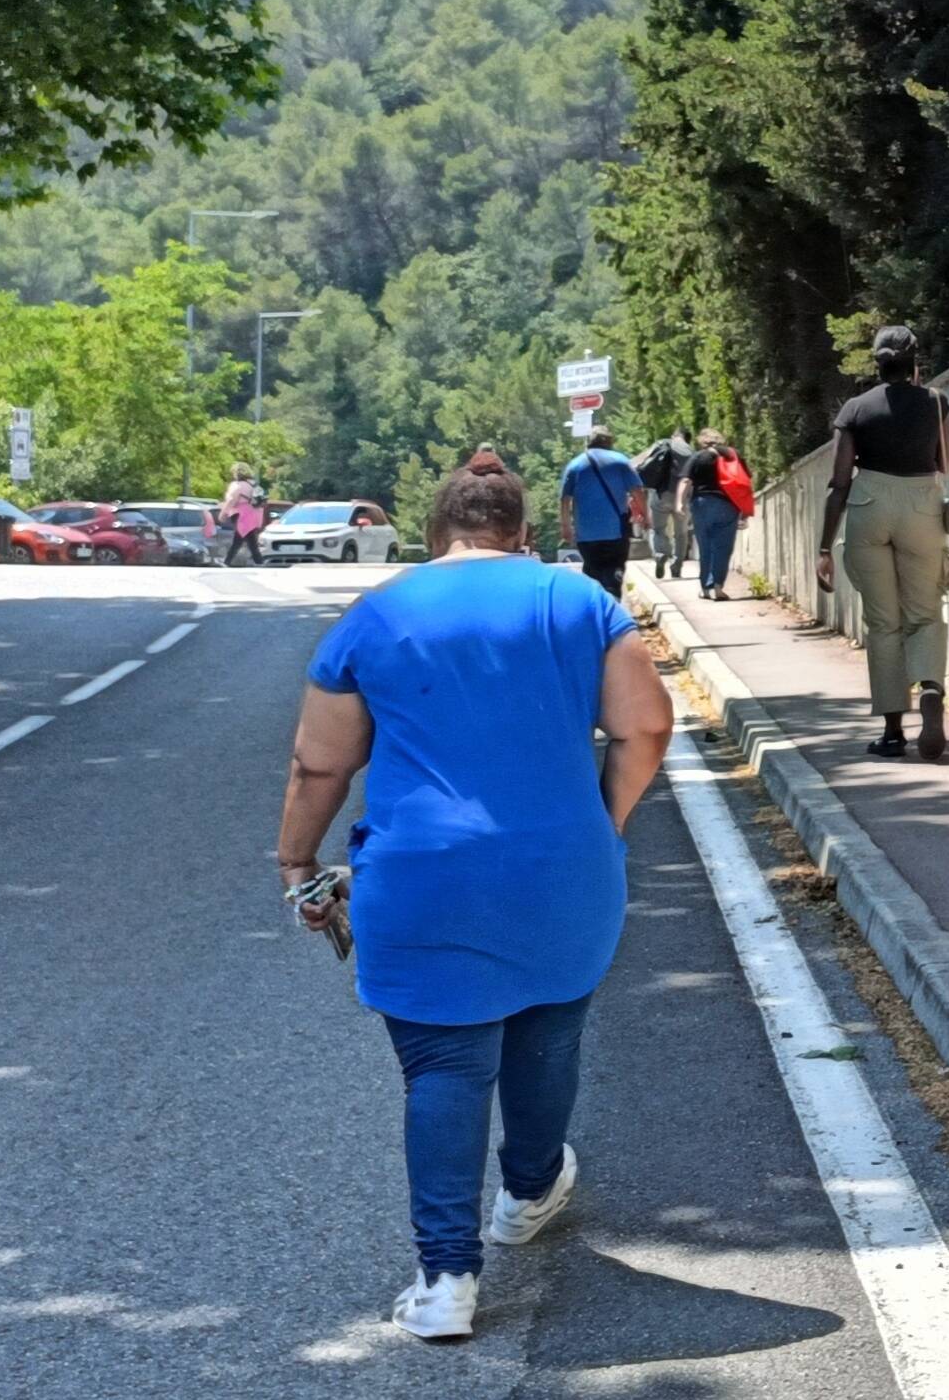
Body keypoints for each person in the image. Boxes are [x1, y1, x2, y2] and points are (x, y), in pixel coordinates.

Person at [274, 463, 675, 1343]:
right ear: (523, 533)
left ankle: (448, 1278)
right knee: (549, 1032)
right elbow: (644, 723)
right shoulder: (578, 604)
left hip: (423, 879)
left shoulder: (373, 615)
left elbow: (320, 764)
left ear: (434, 533)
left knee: (445, 1071)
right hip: (561, 869)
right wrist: (599, 820)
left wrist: (297, 856)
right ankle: (529, 1192)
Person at [817, 324, 949, 760]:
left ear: (876, 363)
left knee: (883, 622)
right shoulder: (936, 403)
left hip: (869, 505)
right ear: (916, 361)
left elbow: (839, 482)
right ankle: (931, 690)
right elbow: (944, 462)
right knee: (925, 612)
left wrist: (824, 548)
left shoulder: (856, 409)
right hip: (920, 505)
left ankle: (893, 730)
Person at [557, 428, 646, 598]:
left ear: (588, 443)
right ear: (609, 442)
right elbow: (637, 491)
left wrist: (566, 527)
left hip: (586, 533)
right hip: (616, 531)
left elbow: (564, 499)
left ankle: (596, 611)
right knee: (614, 569)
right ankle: (612, 604)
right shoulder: (620, 462)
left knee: (593, 572)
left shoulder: (575, 466)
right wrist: (645, 516)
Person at [681, 430, 744, 600]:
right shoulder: (733, 455)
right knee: (723, 548)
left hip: (702, 504)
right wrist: (745, 512)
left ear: (702, 442)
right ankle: (717, 587)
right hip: (728, 505)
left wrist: (680, 502)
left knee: (705, 546)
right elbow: (745, 482)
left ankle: (705, 588)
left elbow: (686, 480)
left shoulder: (698, 457)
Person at [636, 429, 692, 577]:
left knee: (658, 529)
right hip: (684, 497)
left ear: (675, 436)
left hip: (661, 494)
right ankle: (676, 566)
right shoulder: (691, 451)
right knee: (681, 533)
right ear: (687, 439)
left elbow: (642, 460)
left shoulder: (663, 444)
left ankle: (661, 553)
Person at [221, 466, 269, 568]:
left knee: (239, 538)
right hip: (254, 514)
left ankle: (227, 561)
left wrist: (223, 513)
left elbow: (230, 500)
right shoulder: (253, 484)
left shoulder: (236, 485)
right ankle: (258, 560)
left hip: (241, 514)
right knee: (249, 539)